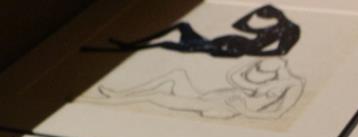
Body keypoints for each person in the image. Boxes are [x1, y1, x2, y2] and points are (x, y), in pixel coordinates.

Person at [91, 57, 304, 120]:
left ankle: (111, 101)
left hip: (222, 106)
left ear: (281, 64)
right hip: (213, 97)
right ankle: (123, 93)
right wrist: (252, 62)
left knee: (156, 96)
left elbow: (278, 113)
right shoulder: (270, 81)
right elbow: (234, 78)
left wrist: (244, 111)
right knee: (177, 74)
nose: (261, 66)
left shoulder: (293, 85)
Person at [84, 4, 300, 58]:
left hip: (225, 47)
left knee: (166, 43)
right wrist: (252, 13)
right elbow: (239, 26)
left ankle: (125, 49)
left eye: (264, 13)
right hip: (216, 42)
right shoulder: (272, 26)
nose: (262, 16)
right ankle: (129, 45)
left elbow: (280, 51)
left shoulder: (289, 29)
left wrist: (242, 52)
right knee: (183, 25)